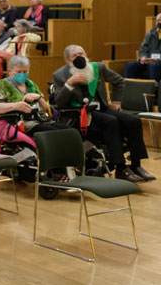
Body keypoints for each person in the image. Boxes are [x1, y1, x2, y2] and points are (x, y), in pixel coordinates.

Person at [53, 45, 152, 182]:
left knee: (133, 121)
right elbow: (59, 101)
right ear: (67, 60)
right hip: (79, 113)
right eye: (75, 56)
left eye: (81, 53)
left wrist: (116, 101)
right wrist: (69, 83)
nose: (80, 57)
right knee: (110, 121)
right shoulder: (60, 75)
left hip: (101, 108)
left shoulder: (97, 67)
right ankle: (121, 168)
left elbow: (119, 81)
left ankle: (136, 165)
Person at [0, 55, 70, 146]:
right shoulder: (2, 85)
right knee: (54, 133)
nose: (22, 74)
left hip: (40, 119)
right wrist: (16, 106)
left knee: (68, 131)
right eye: (18, 72)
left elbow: (46, 109)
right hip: (21, 123)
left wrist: (39, 98)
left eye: (25, 72)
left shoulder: (31, 84)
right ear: (10, 71)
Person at [125, 13, 161, 81]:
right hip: (149, 61)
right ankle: (128, 87)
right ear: (156, 22)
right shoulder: (150, 34)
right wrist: (143, 57)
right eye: (159, 21)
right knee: (130, 65)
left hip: (158, 63)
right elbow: (143, 49)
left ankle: (155, 89)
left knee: (154, 65)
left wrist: (157, 59)